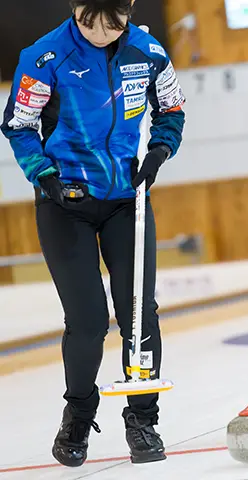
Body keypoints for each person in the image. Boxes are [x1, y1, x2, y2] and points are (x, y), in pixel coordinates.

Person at [1, 0, 185, 466]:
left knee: (139, 313)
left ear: (129, 10)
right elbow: (18, 126)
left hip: (129, 200)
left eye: (113, 23)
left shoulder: (148, 51)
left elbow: (172, 111)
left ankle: (143, 418)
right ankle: (79, 414)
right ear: (74, 8)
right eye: (89, 22)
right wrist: (43, 175)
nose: (100, 33)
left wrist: (160, 150)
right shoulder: (44, 58)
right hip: (66, 205)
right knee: (86, 321)